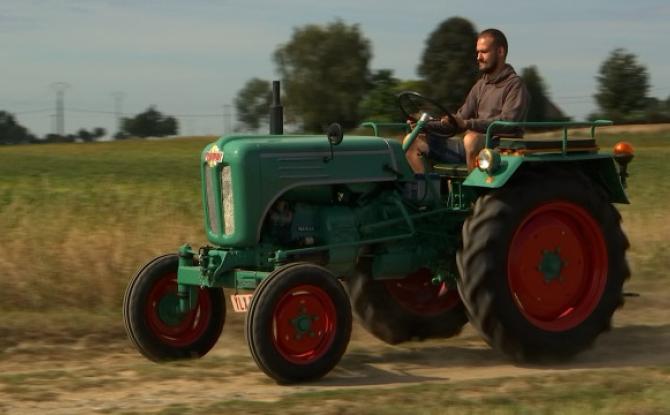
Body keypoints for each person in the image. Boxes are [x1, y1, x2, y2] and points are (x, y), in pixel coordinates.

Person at [405, 28, 530, 172]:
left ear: (500, 52)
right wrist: (424, 125)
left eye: (484, 52)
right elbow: (459, 120)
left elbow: (509, 123)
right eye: (477, 52)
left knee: (471, 139)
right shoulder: (480, 86)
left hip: (499, 150)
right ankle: (423, 186)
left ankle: (476, 187)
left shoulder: (515, 85)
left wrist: (467, 124)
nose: (478, 57)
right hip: (471, 146)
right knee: (413, 140)